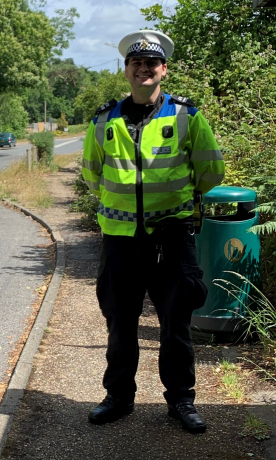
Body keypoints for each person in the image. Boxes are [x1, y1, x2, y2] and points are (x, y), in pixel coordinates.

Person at [81, 30, 225, 433]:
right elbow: (93, 175)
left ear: (164, 69)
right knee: (120, 323)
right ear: (126, 70)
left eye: (151, 63)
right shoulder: (104, 121)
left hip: (172, 239)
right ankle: (118, 398)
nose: (144, 68)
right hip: (121, 241)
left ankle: (181, 400)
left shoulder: (186, 117)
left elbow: (211, 171)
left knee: (176, 325)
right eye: (136, 63)